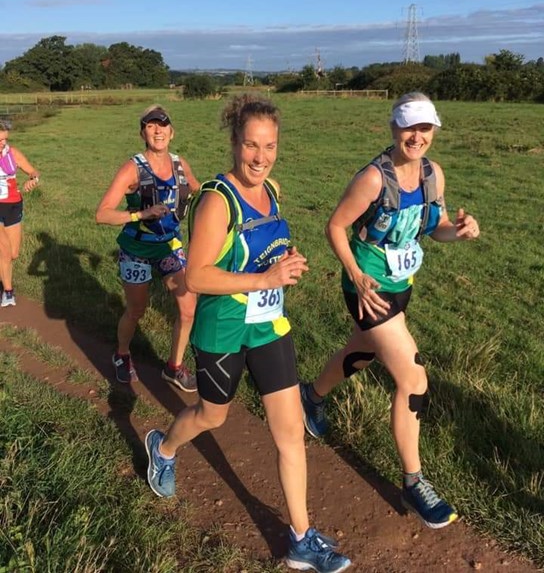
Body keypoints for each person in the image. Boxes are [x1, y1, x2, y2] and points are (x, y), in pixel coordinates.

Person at [144, 94, 351, 573]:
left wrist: (284, 263)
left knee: (290, 433)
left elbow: (263, 248)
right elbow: (196, 277)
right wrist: (265, 278)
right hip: (222, 328)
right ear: (235, 142)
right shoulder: (218, 200)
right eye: (251, 145)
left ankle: (301, 537)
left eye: (270, 146)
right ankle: (165, 446)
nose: (260, 157)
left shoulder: (271, 190)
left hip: (268, 325)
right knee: (211, 417)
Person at [300, 93, 480, 530]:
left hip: (402, 286)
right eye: (409, 127)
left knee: (363, 351)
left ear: (434, 130)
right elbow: (336, 226)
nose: (417, 136)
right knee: (413, 378)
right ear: (394, 128)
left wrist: (459, 231)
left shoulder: (433, 175)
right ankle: (414, 482)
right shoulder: (373, 179)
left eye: (425, 128)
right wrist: (356, 275)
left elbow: (433, 228)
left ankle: (311, 397)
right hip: (369, 291)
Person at [96, 105, 199, 391]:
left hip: (169, 246)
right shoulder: (133, 168)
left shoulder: (180, 164)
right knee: (137, 310)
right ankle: (122, 354)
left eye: (163, 125)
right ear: (143, 132)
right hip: (137, 249)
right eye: (151, 126)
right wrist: (139, 215)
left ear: (172, 132)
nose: (158, 130)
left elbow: (199, 192)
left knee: (188, 308)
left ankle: (174, 367)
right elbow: (102, 213)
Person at [0, 119, 40, 307]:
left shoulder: (13, 153)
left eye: (4, 139)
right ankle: (8, 292)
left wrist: (34, 179)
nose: (2, 143)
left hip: (14, 205)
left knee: (14, 253)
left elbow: (33, 171)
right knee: (5, 253)